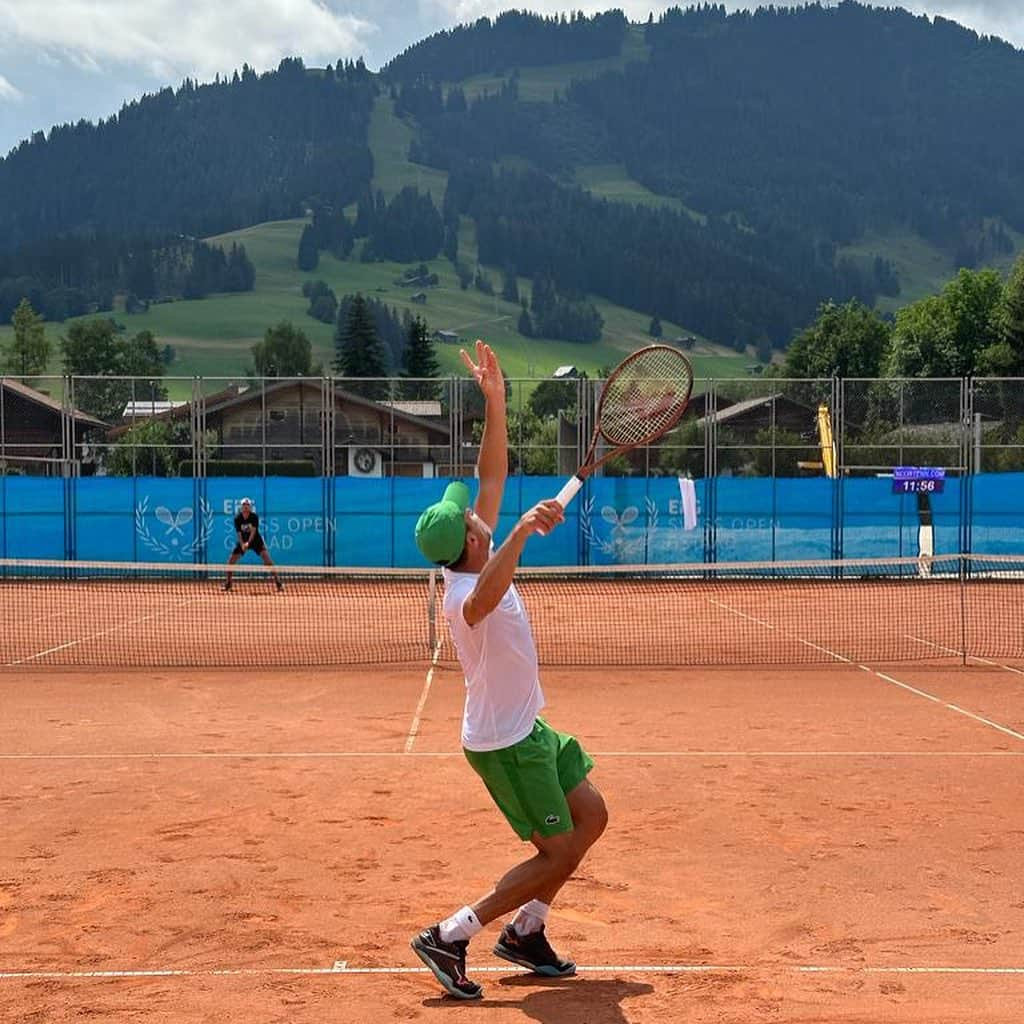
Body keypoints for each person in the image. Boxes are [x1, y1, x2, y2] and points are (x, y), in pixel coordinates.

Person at [410, 340, 608, 1000]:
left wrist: (495, 401)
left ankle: (526, 932)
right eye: (474, 519)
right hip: (505, 746)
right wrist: (522, 532)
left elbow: (490, 476)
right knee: (555, 852)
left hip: (531, 728)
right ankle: (451, 933)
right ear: (471, 541)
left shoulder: (465, 554)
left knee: (592, 819)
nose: (480, 511)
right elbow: (491, 592)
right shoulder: (466, 594)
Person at [223, 497, 282, 592]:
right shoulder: (237, 518)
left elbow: (253, 532)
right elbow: (238, 533)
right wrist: (242, 544)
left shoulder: (254, 517)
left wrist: (248, 543)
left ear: (250, 507)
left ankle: (278, 582)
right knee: (230, 562)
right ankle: (228, 583)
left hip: (255, 541)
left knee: (268, 560)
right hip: (243, 541)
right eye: (244, 505)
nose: (245, 507)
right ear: (241, 507)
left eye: (247, 505)